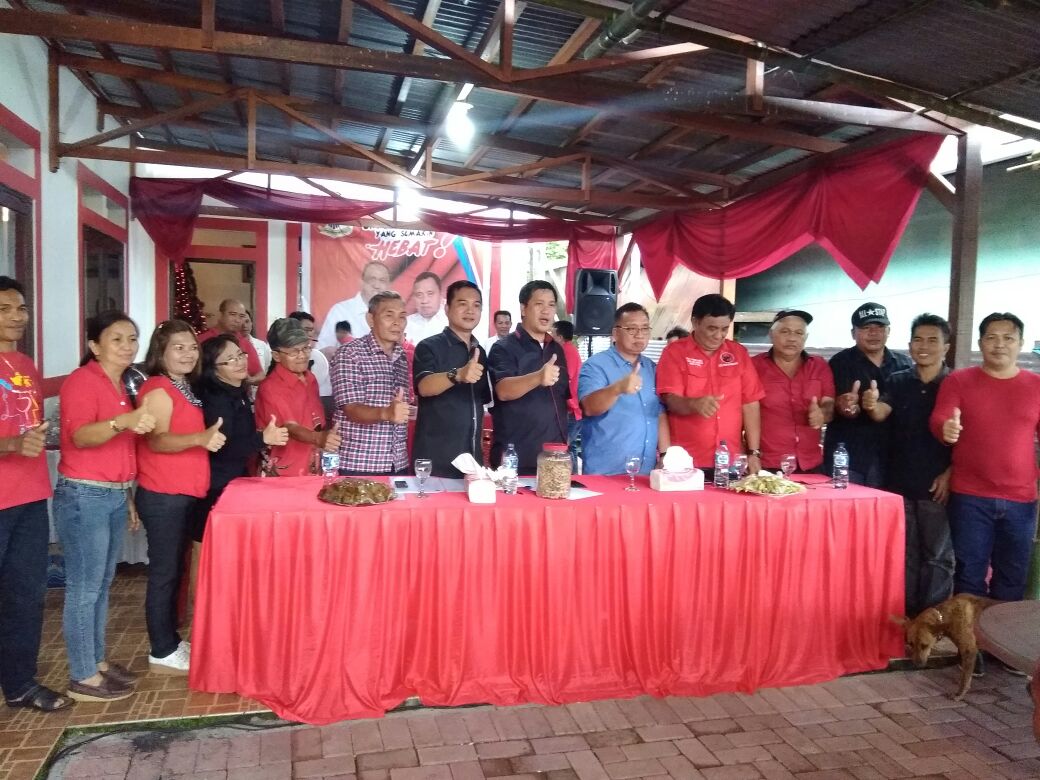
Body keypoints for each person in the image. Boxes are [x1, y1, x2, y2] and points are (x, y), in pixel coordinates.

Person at [55, 312, 157, 702]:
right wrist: (123, 422)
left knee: (100, 584)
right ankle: (82, 675)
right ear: (94, 346)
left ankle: (95, 662)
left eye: (132, 338)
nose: (128, 346)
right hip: (85, 496)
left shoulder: (121, 383)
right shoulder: (82, 381)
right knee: (84, 587)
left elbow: (120, 450)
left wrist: (127, 496)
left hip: (112, 494)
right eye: (117, 339)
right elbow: (81, 437)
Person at [136, 320, 226, 675]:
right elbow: (157, 440)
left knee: (173, 569)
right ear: (161, 352)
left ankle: (170, 641)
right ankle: (161, 650)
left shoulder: (182, 385)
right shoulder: (159, 389)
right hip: (163, 494)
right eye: (178, 347)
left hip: (182, 492)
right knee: (164, 573)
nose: (188, 354)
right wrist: (199, 439)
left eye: (191, 347)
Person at [931, 312, 1040, 604]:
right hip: (970, 497)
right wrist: (946, 429)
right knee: (968, 576)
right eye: (991, 337)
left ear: (1021, 343)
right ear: (980, 343)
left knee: (1012, 579)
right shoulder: (959, 381)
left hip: (1021, 500)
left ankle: (1001, 636)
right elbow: (940, 418)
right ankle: (970, 636)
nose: (999, 344)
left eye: (1008, 338)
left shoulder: (1036, 385)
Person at [0, 276, 72, 712]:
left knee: (26, 594)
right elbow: (15, 435)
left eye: (21, 308)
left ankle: (20, 684)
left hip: (28, 496)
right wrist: (11, 444)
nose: (17, 316)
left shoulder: (24, 363)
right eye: (4, 309)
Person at [863, 314, 954, 616]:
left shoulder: (955, 384)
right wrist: (870, 404)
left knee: (938, 556)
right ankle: (909, 620)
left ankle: (934, 620)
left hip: (937, 485)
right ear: (910, 344)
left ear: (946, 347)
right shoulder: (898, 379)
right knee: (906, 553)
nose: (923, 346)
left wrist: (950, 473)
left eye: (932, 340)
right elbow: (881, 412)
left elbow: (969, 437)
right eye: (918, 340)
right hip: (898, 482)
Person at [193, 334, 288, 543]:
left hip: (234, 479)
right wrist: (262, 438)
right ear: (213, 369)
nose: (240, 362)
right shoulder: (217, 399)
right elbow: (223, 448)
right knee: (208, 544)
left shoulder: (236, 390)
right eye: (230, 360)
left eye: (240, 355)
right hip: (216, 484)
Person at [657, 294, 765, 475]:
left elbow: (750, 404)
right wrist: (693, 404)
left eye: (724, 329)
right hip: (686, 461)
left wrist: (754, 452)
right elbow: (670, 400)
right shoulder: (674, 353)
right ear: (695, 322)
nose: (718, 335)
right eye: (712, 328)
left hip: (731, 459)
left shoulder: (738, 353)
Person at [824, 302, 912, 486]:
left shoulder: (904, 364)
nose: (874, 333)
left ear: (889, 331)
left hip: (892, 457)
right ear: (853, 333)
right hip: (850, 456)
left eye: (879, 327)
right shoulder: (839, 363)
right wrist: (846, 405)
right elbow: (832, 404)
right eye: (866, 328)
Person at [578, 303, 669, 476]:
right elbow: (589, 407)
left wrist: (665, 454)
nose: (639, 334)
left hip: (645, 473)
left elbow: (659, 413)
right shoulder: (596, 365)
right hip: (606, 473)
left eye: (645, 328)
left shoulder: (651, 368)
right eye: (632, 329)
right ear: (615, 333)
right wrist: (617, 388)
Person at [413, 281, 492, 477]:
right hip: (435, 462)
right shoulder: (429, 346)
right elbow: (424, 386)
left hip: (472, 464)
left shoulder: (479, 352)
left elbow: (479, 404)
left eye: (476, 305)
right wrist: (458, 375)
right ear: (447, 309)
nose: (470, 310)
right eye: (462, 304)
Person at [487, 281, 569, 471]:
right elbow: (503, 390)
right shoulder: (504, 347)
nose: (546, 311)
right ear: (523, 309)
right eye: (539, 304)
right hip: (517, 456)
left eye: (551, 305)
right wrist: (538, 377)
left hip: (555, 456)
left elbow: (561, 400)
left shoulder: (556, 349)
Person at [331, 292, 412, 475]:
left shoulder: (401, 357)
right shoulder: (350, 354)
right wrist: (386, 413)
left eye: (402, 317)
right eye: (389, 315)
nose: (397, 323)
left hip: (397, 463)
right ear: (370, 319)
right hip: (359, 464)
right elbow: (351, 409)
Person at [751, 310, 834, 472]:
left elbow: (829, 404)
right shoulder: (754, 366)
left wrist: (822, 414)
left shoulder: (819, 365)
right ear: (771, 335)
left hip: (811, 463)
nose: (792, 338)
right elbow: (743, 411)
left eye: (799, 333)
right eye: (785, 331)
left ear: (805, 337)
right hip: (768, 463)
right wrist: (750, 453)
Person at [255, 319, 340, 477]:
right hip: (284, 470)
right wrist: (319, 438)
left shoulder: (310, 379)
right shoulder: (270, 387)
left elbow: (316, 420)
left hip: (312, 463)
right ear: (276, 355)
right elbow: (289, 427)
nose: (302, 355)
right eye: (294, 352)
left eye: (306, 348)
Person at [317, 260, 391, 348]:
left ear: (388, 286)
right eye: (372, 279)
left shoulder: (394, 315)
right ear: (362, 282)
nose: (377, 285)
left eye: (382, 280)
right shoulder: (340, 311)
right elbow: (322, 350)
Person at [197, 299, 264, 383]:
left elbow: (260, 374)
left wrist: (250, 380)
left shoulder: (245, 342)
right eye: (232, 314)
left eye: (241, 316)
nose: (237, 320)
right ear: (220, 314)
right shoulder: (202, 340)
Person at [288, 311, 334, 423]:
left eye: (311, 330)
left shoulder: (318, 356)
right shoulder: (283, 356)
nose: (309, 334)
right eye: (306, 329)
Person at [552, 320, 583, 470]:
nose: (550, 336)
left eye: (553, 333)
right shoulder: (568, 350)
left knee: (565, 448)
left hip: (571, 408)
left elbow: (565, 378)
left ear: (559, 336)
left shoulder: (567, 351)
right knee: (569, 447)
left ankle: (572, 477)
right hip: (571, 407)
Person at [406, 271, 449, 344]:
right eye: (419, 295)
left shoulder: (454, 321)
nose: (424, 301)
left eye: (430, 294)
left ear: (440, 295)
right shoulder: (406, 324)